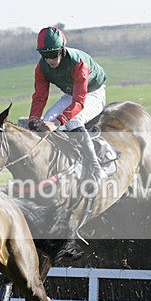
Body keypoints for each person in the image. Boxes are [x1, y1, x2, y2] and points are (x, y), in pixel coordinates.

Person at [27, 26, 107, 183]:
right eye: (45, 55)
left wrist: (58, 122)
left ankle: (96, 168)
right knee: (46, 121)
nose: (50, 60)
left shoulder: (78, 63)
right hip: (70, 94)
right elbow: (39, 97)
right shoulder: (41, 68)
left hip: (92, 93)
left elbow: (79, 101)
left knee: (74, 121)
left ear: (62, 50)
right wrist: (33, 119)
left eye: (53, 55)